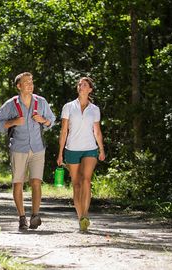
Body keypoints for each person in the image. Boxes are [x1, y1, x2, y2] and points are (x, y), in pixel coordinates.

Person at [0, 72, 56, 230]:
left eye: (31, 82)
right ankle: (22, 217)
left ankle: (35, 215)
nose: (30, 84)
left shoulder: (41, 102)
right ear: (19, 86)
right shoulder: (11, 104)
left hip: (37, 148)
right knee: (18, 183)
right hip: (18, 148)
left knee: (36, 182)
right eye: (26, 82)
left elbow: (52, 120)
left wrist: (44, 120)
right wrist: (13, 121)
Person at [57, 77, 105, 232]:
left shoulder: (94, 109)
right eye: (79, 84)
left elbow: (97, 131)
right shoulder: (68, 107)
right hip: (72, 149)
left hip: (90, 148)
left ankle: (85, 214)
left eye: (84, 84)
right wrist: (60, 153)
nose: (81, 86)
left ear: (90, 89)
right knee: (76, 184)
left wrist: (101, 149)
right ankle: (80, 219)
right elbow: (64, 131)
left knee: (86, 180)